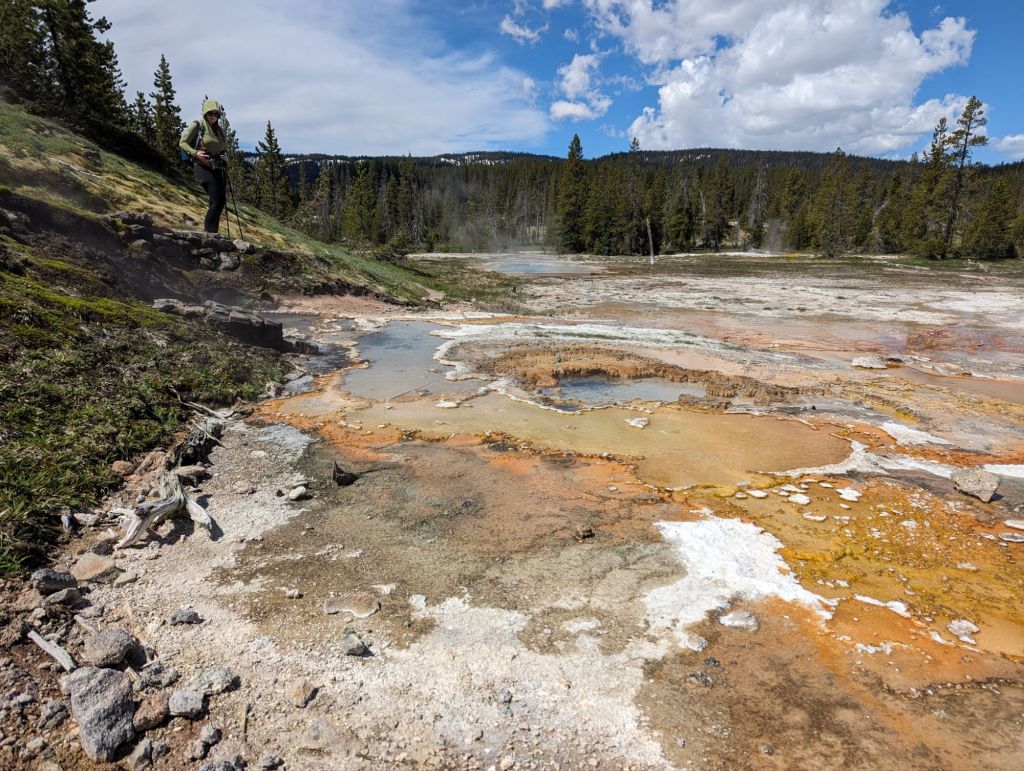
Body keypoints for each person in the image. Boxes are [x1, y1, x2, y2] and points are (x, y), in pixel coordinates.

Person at [179, 98, 229, 233]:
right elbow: (182, 142)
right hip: (202, 166)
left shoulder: (219, 130)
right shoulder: (198, 125)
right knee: (217, 200)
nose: (213, 116)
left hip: (217, 167)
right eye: (210, 113)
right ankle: (210, 234)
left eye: (216, 114)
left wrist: (224, 156)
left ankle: (213, 233)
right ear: (205, 113)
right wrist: (195, 153)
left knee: (219, 200)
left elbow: (220, 147)